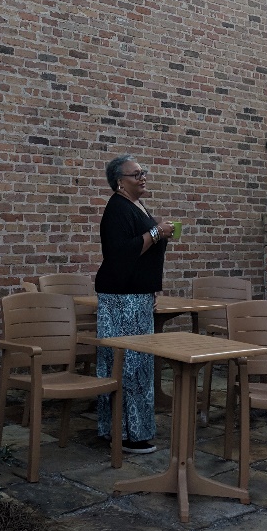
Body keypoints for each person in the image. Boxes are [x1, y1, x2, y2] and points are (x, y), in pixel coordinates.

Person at [95, 154, 175, 453]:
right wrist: (156, 232)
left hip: (137, 295)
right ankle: (128, 434)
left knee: (135, 364)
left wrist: (152, 287)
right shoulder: (116, 207)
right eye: (136, 174)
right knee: (129, 365)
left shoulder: (137, 205)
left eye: (144, 172)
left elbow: (145, 256)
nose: (143, 177)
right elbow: (121, 254)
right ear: (119, 181)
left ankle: (118, 428)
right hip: (121, 299)